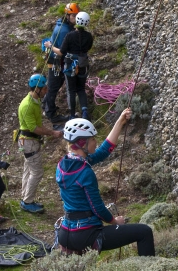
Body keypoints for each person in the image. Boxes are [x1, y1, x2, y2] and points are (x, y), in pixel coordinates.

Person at [55, 109, 155, 256]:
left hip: (66, 233)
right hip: (86, 234)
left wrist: (120, 121)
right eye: (93, 139)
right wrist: (115, 221)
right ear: (83, 143)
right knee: (144, 232)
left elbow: (103, 151)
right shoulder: (85, 172)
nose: (96, 141)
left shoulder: (63, 164)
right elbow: (97, 208)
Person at [18, 73, 64, 213]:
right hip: (29, 141)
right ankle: (28, 201)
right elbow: (33, 128)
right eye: (44, 88)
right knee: (37, 172)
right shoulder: (27, 105)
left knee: (28, 169)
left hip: (29, 141)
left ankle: (26, 197)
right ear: (37, 88)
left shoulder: (34, 101)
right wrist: (52, 133)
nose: (46, 90)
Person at [48, 11, 94, 121]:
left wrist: (50, 46)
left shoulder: (69, 35)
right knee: (81, 89)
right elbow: (88, 48)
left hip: (70, 66)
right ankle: (84, 112)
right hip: (83, 64)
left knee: (71, 90)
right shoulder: (89, 36)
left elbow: (61, 52)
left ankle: (72, 115)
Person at [43, 3, 80, 124]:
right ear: (68, 15)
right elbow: (64, 52)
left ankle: (46, 105)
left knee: (54, 85)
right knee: (53, 86)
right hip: (56, 62)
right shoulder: (64, 30)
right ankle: (51, 113)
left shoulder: (64, 25)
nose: (76, 18)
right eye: (74, 16)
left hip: (56, 60)